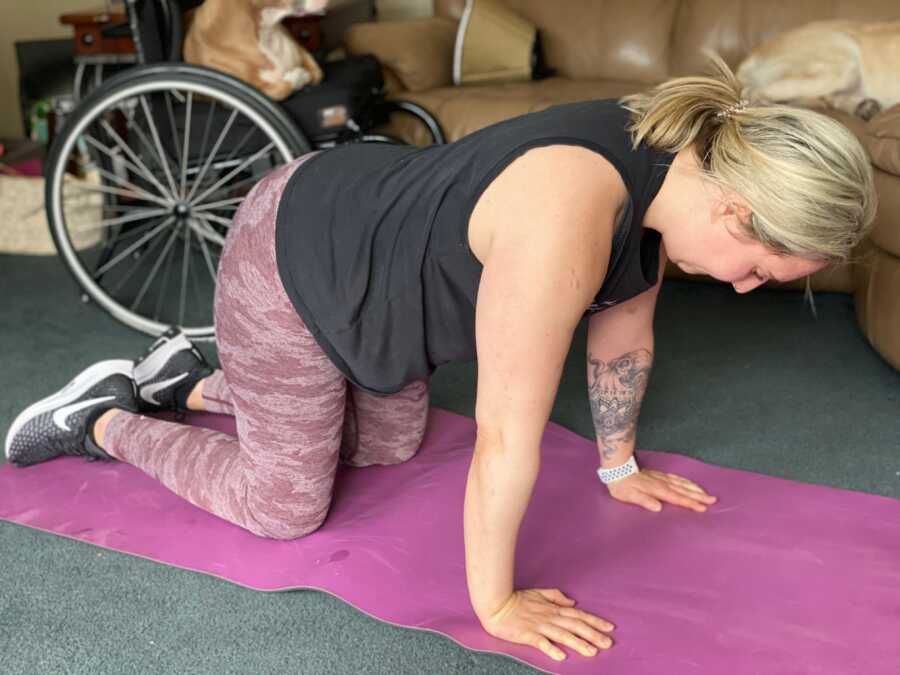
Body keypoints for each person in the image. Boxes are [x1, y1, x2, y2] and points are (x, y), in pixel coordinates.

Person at [4, 53, 876, 663]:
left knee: (385, 445)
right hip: (297, 255)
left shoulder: (673, 172)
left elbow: (623, 327)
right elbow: (504, 434)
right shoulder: (564, 217)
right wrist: (494, 604)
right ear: (735, 211)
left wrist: (617, 467)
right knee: (284, 505)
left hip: (381, 265)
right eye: (762, 268)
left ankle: (189, 383)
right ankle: (106, 413)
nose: (749, 289)